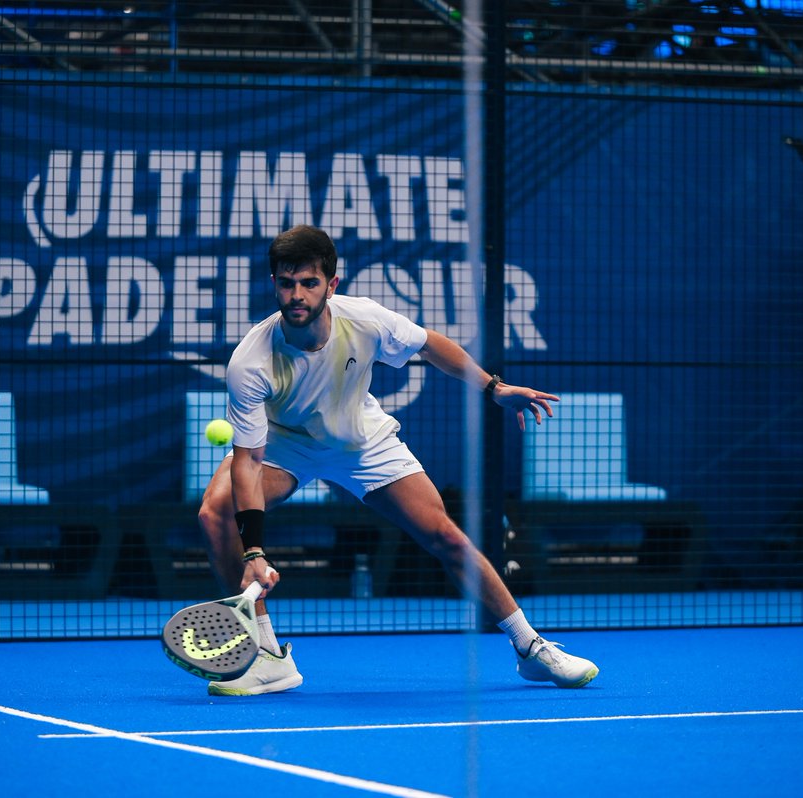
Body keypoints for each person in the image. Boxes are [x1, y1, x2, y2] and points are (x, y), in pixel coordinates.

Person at [195, 225, 599, 696]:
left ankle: (531, 648)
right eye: (287, 283)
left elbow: (430, 344)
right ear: (274, 284)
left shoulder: (364, 319)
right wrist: (254, 553)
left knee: (444, 535)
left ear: (332, 284)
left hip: (362, 439)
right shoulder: (251, 361)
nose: (297, 295)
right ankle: (267, 656)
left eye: (309, 282)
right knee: (214, 511)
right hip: (289, 443)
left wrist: (494, 387)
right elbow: (248, 460)